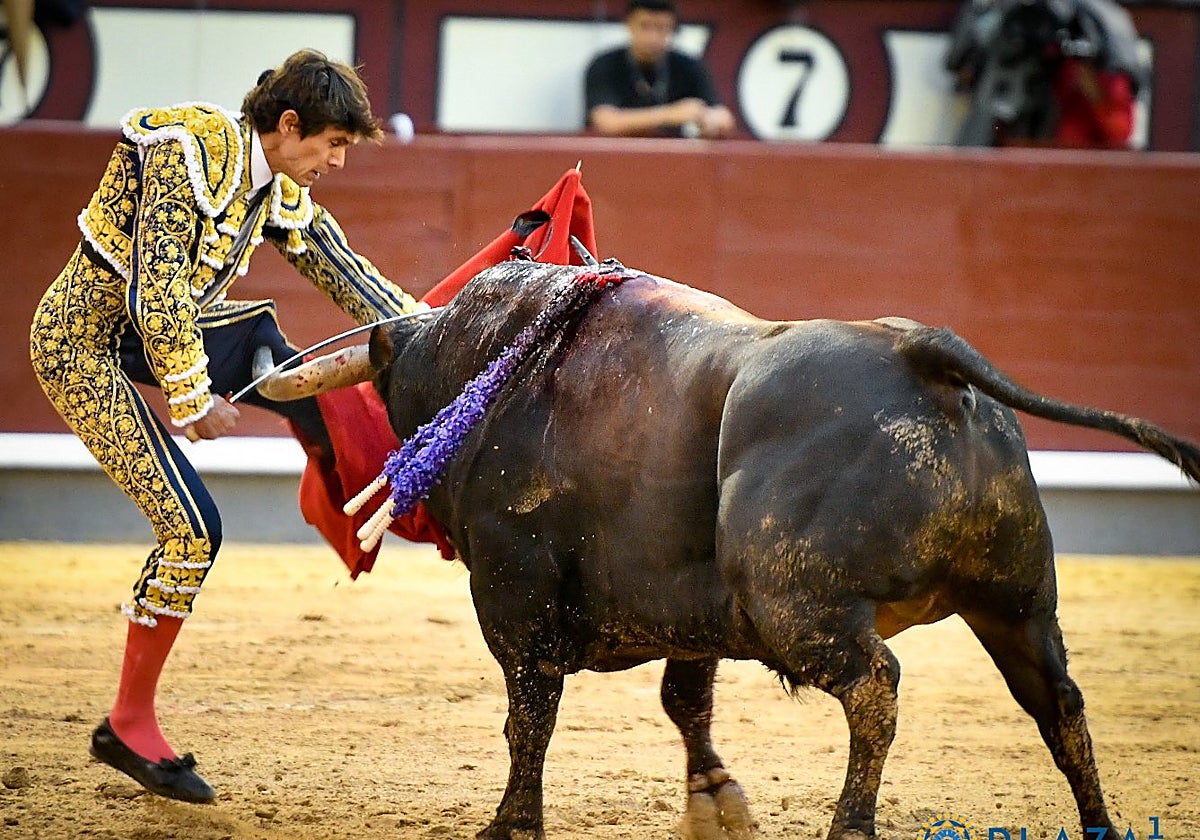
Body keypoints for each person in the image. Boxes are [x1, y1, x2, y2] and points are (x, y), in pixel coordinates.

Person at [28, 48, 422, 803]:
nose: (338, 161)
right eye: (334, 143)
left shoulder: (274, 180)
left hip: (156, 334)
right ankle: (128, 724)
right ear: (288, 124)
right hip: (82, 345)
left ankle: (338, 449)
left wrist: (433, 326)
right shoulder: (186, 152)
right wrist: (190, 394)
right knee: (193, 530)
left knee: (287, 360)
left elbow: (341, 266)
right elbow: (157, 287)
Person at [584, 0, 734, 139]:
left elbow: (723, 117)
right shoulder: (605, 65)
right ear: (629, 25)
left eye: (662, 28)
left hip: (673, 158)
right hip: (614, 156)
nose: (653, 37)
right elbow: (605, 122)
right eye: (645, 26)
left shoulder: (688, 66)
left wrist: (709, 120)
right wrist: (671, 114)